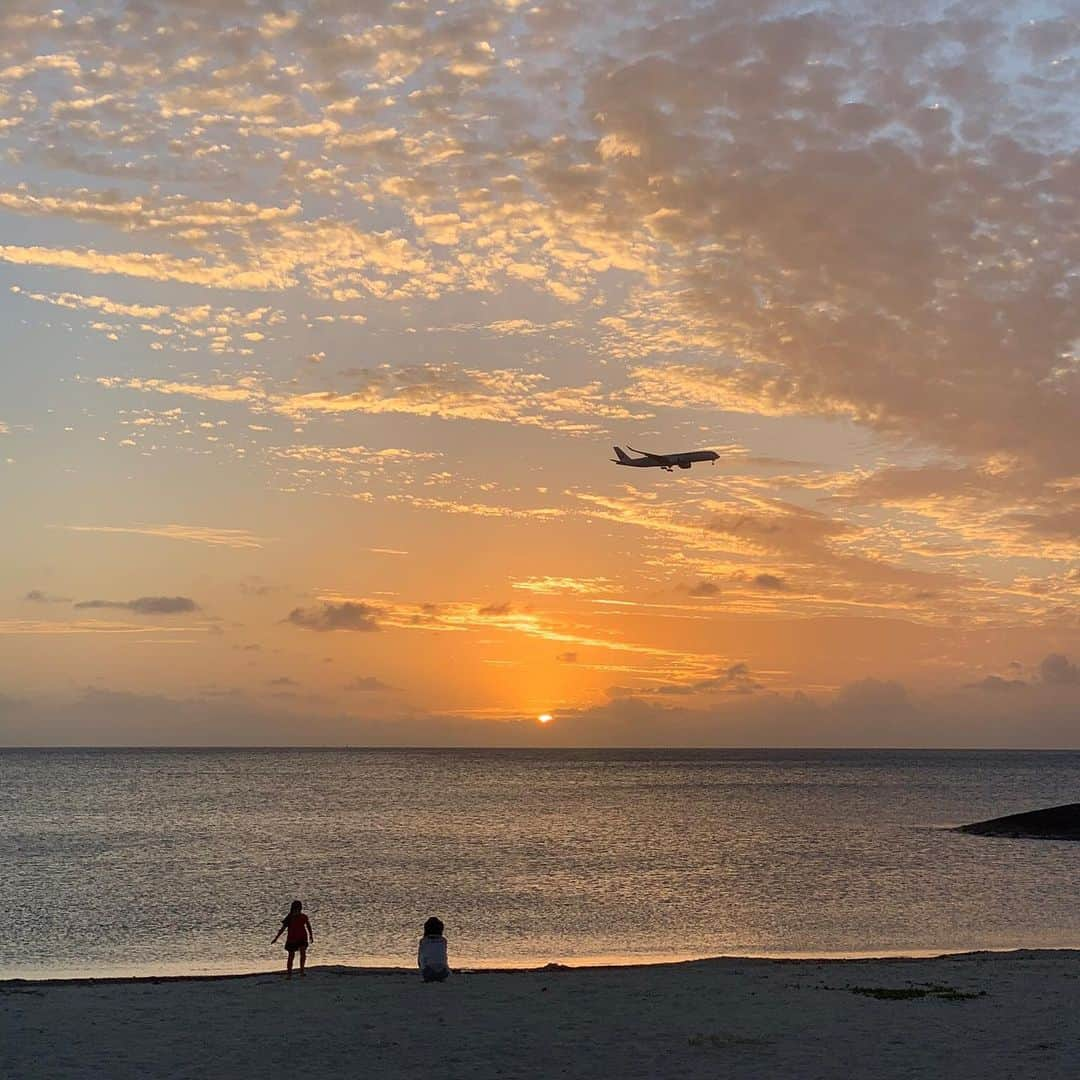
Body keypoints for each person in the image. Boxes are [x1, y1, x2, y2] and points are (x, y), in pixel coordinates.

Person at [271, 899, 313, 978]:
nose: (297, 911)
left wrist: (311, 935)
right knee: (291, 956)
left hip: (302, 938)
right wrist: (276, 938)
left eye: (298, 909)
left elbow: (308, 926)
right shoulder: (289, 918)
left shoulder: (303, 917)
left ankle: (302, 971)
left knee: (303, 954)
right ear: (293, 909)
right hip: (292, 939)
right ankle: (289, 974)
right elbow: (282, 928)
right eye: (296, 909)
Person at [417, 916, 450, 982]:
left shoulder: (424, 941)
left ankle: (428, 977)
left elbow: (420, 958)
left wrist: (422, 968)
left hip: (429, 972)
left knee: (423, 958)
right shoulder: (443, 940)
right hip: (444, 972)